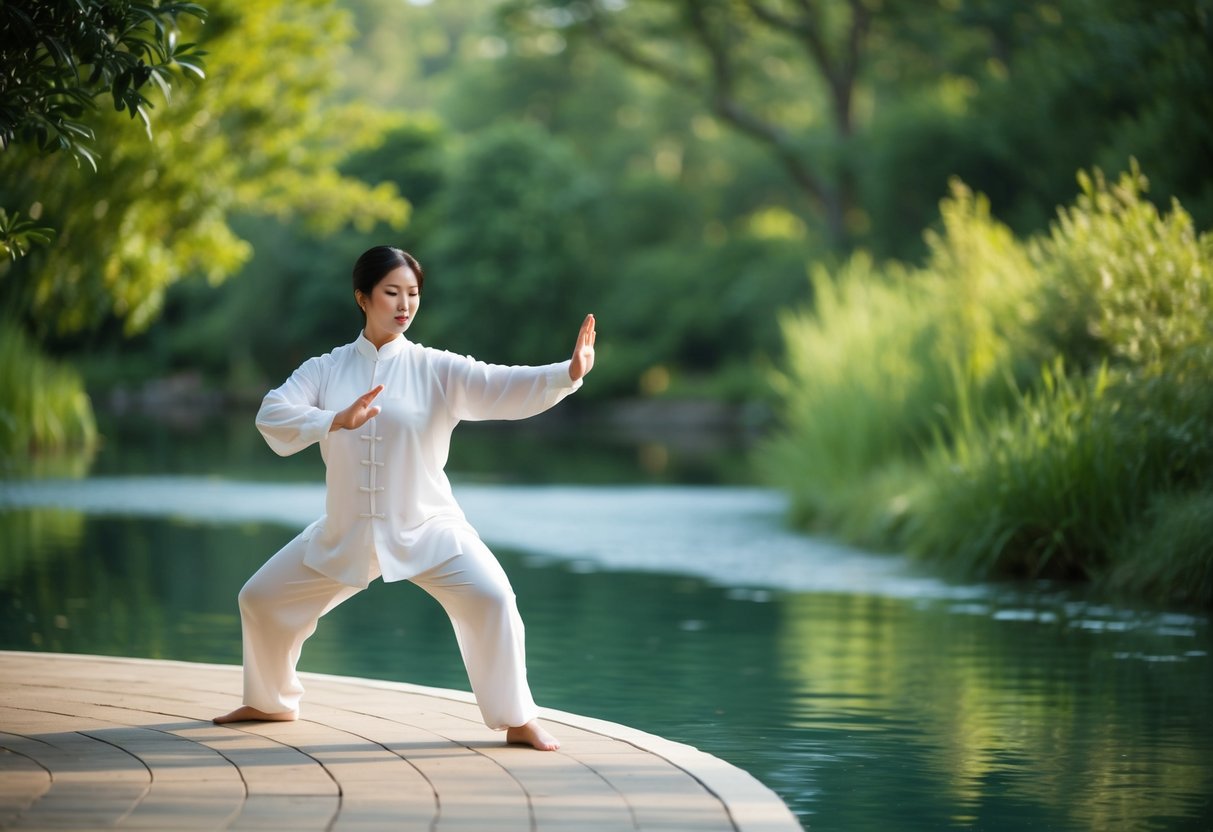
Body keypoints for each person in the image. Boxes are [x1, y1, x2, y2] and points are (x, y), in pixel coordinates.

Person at [213, 246, 596, 751]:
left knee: (495, 599)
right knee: (259, 599)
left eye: (412, 294)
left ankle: (518, 719)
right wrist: (332, 419)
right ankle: (270, 702)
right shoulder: (326, 370)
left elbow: (499, 383)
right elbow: (272, 413)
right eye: (391, 292)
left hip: (427, 527)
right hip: (345, 531)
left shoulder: (435, 368)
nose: (404, 304)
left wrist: (566, 373)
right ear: (362, 297)